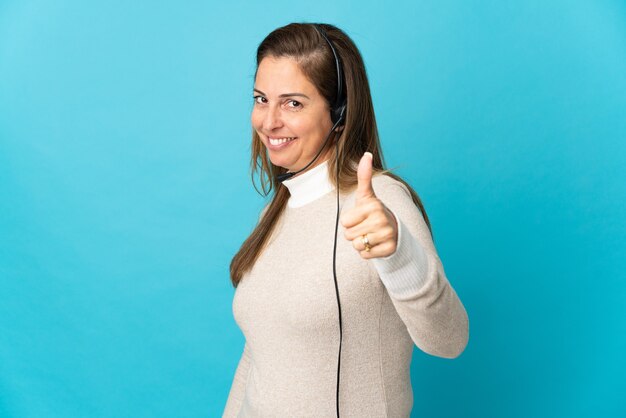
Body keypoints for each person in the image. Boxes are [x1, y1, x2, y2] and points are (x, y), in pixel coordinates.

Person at [223, 22, 469, 417]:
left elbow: (450, 340)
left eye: (292, 103)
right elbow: (259, 357)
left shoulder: (380, 202)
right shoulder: (277, 210)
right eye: (260, 98)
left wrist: (400, 256)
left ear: (339, 112)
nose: (268, 122)